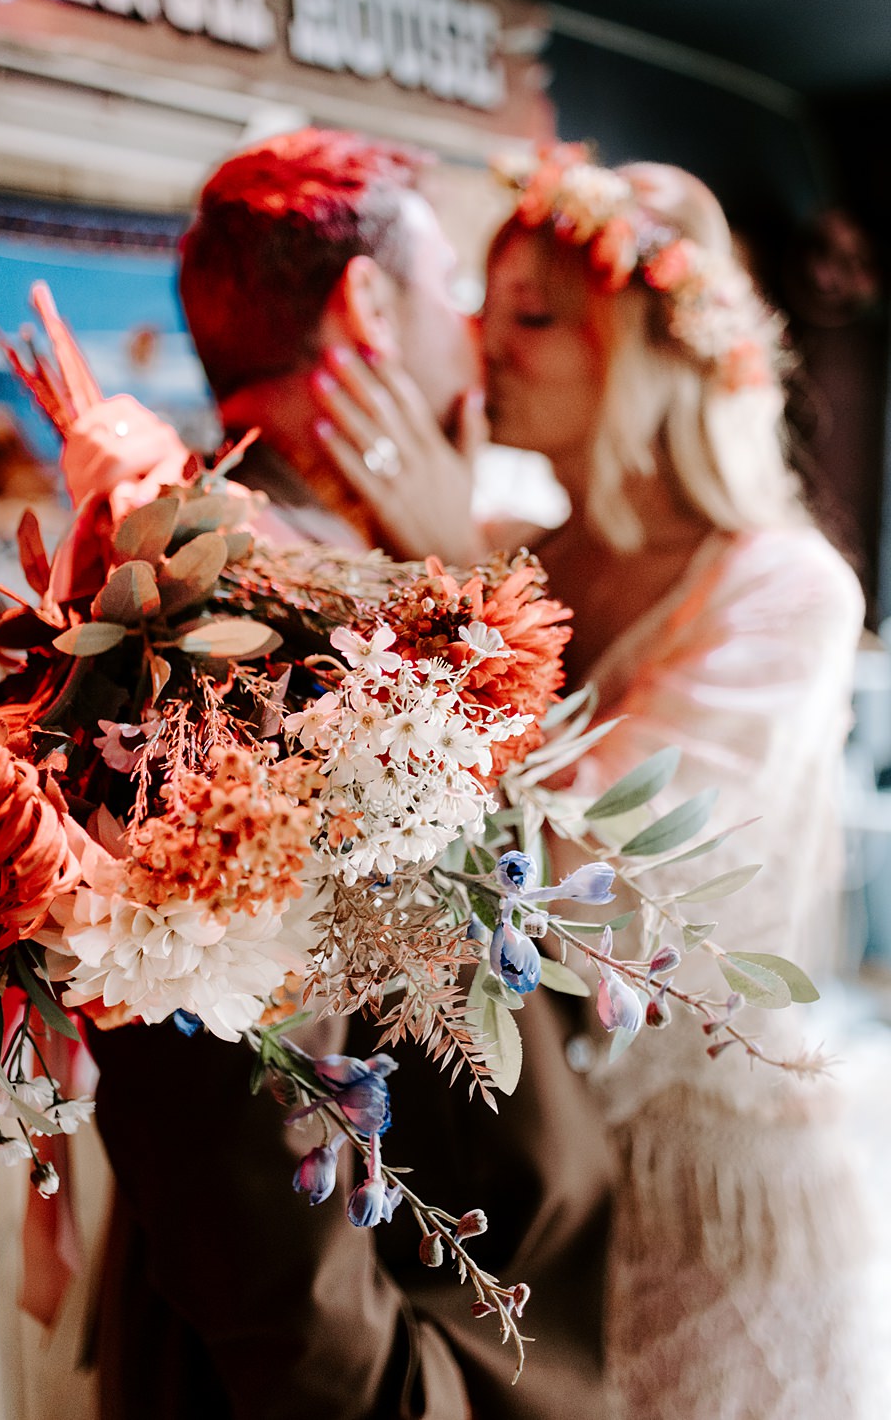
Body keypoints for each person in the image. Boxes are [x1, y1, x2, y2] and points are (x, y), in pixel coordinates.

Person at [315, 145, 887, 1418]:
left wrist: (452, 573)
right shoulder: (520, 556)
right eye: (482, 308)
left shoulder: (784, 587)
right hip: (521, 1184)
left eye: (535, 317)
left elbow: (594, 875)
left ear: (650, 357)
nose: (489, 348)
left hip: (713, 1199)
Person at [80, 129, 613, 1420]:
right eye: (450, 288)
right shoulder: (231, 630)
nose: (478, 329)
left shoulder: (312, 581)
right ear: (369, 304)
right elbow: (224, 1129)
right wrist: (398, 1396)